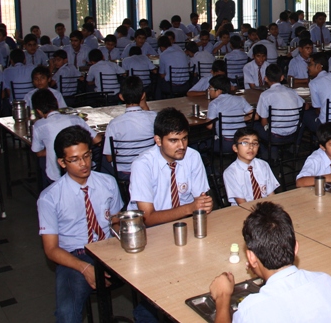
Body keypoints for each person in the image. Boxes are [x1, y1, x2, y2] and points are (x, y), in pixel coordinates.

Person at [37, 125, 123, 323]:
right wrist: (84, 268)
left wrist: (121, 239)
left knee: (155, 283)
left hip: (108, 246)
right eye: (74, 159)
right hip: (75, 255)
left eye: (86, 156)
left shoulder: (108, 183)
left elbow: (116, 221)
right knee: (67, 313)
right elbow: (51, 250)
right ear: (62, 162)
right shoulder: (50, 198)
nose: (84, 164)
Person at [209, 201, 331, 323]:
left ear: (251, 258)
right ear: (295, 248)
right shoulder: (326, 282)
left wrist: (222, 297)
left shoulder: (252, 309)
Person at [129, 107, 213, 226]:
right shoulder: (143, 165)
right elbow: (147, 218)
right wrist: (189, 208)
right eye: (173, 140)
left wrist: (204, 204)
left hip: (185, 222)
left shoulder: (192, 156)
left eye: (184, 138)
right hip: (152, 229)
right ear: (158, 140)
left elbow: (201, 201)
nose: (181, 146)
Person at [31, 89, 99, 186]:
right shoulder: (75, 119)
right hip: (84, 170)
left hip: (56, 177)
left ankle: (45, 189)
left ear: (38, 111)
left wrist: (51, 148)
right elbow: (97, 140)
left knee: (44, 162)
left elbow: (38, 152)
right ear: (56, 103)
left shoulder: (39, 125)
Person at [102, 76, 158, 174]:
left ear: (121, 97)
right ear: (143, 96)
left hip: (124, 172)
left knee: (101, 161)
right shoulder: (154, 117)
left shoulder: (114, 124)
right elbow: (148, 114)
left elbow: (109, 158)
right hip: (148, 169)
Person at [222, 129, 280, 206]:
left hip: (265, 208)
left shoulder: (263, 165)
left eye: (255, 143)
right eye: (245, 143)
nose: (251, 147)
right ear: (235, 148)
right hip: (243, 210)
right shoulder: (230, 173)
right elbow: (242, 204)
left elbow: (271, 195)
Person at [255, 64, 304, 142]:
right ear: (282, 77)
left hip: (275, 137)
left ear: (266, 79)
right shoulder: (292, 92)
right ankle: (295, 146)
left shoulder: (265, 95)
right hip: (293, 134)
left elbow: (264, 121)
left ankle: (267, 148)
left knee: (255, 125)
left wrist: (267, 128)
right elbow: (305, 106)